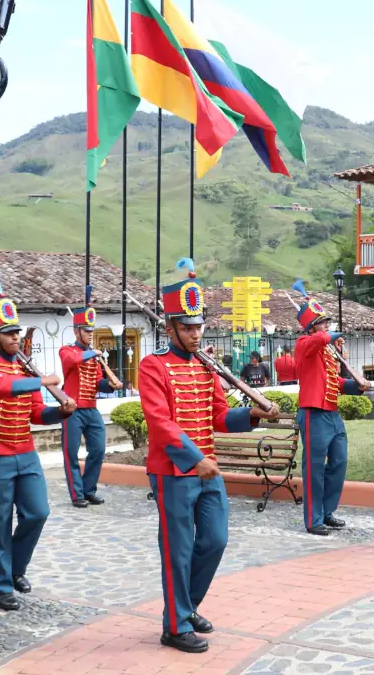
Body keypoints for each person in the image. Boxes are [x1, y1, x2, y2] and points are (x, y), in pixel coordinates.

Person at [139, 259, 279, 653]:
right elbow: (159, 422)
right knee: (178, 549)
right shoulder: (153, 367)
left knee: (215, 540)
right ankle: (175, 625)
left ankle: (186, 606)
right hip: (175, 471)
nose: (196, 333)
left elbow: (218, 416)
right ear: (170, 329)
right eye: (187, 327)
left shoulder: (206, 368)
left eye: (199, 325)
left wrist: (250, 414)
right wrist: (194, 458)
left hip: (206, 470)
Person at [0, 273, 76, 611]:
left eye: (17, 332)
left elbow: (36, 414)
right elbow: (0, 387)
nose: (16, 337)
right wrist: (41, 380)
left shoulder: (26, 370)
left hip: (25, 452)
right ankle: (1, 586)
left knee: (37, 513)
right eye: (9, 333)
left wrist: (60, 412)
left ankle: (15, 568)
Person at [291, 278, 370, 536]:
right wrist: (330, 336)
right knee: (313, 468)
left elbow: (332, 381)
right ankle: (314, 519)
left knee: (340, 460)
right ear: (313, 327)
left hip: (331, 412)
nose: (327, 326)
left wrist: (354, 387)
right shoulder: (305, 345)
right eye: (323, 323)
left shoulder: (326, 351)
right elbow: (319, 340)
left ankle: (327, 511)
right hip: (313, 413)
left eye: (327, 323)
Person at [59, 306, 122, 508]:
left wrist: (110, 385)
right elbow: (72, 360)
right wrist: (92, 353)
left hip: (91, 409)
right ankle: (77, 494)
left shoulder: (94, 357)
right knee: (71, 453)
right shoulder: (67, 350)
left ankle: (88, 489)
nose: (90, 334)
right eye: (86, 331)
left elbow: (97, 383)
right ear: (76, 331)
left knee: (99, 450)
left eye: (91, 331)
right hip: (72, 410)